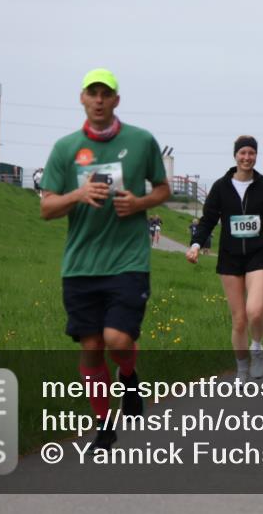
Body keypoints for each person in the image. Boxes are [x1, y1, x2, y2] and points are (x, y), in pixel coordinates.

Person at [40, 68, 171, 453]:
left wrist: (139, 203)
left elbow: (163, 189)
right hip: (80, 264)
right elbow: (47, 208)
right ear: (82, 98)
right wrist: (77, 196)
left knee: (117, 338)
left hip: (128, 261)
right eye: (92, 93)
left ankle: (129, 377)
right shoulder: (65, 149)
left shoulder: (141, 141)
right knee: (92, 346)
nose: (99, 100)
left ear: (116, 100)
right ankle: (103, 425)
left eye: (106, 93)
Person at [186, 136, 263, 381]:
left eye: (251, 153)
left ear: (256, 156)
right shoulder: (220, 187)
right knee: (239, 320)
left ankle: (257, 347)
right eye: (242, 153)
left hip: (257, 255)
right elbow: (207, 221)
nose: (247, 157)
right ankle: (241, 369)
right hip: (229, 257)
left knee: (255, 311)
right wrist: (195, 245)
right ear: (235, 156)